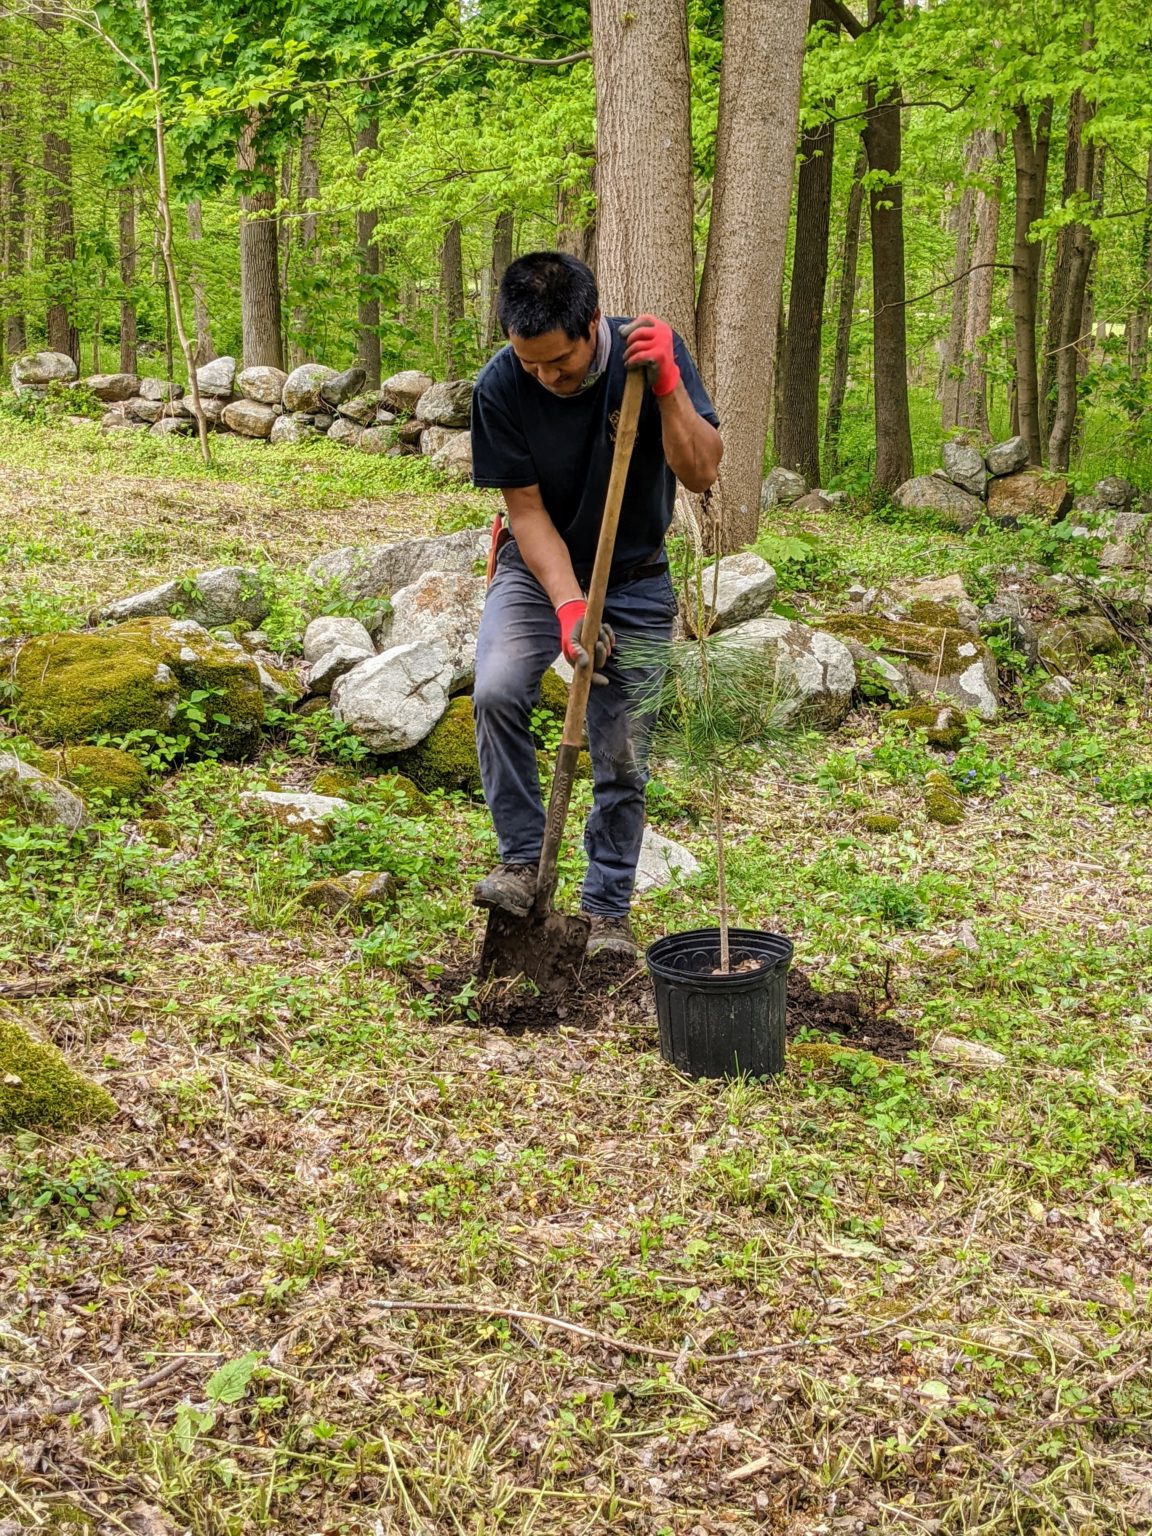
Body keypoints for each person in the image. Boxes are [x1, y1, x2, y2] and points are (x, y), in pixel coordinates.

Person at [469, 251, 723, 959]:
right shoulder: (499, 386)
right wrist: (571, 607)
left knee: (621, 749)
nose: (546, 378)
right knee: (495, 689)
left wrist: (669, 386)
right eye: (531, 365)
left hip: (636, 575)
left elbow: (700, 470)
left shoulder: (647, 362)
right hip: (537, 567)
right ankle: (523, 863)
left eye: (561, 364)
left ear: (591, 326)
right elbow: (524, 512)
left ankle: (607, 910)